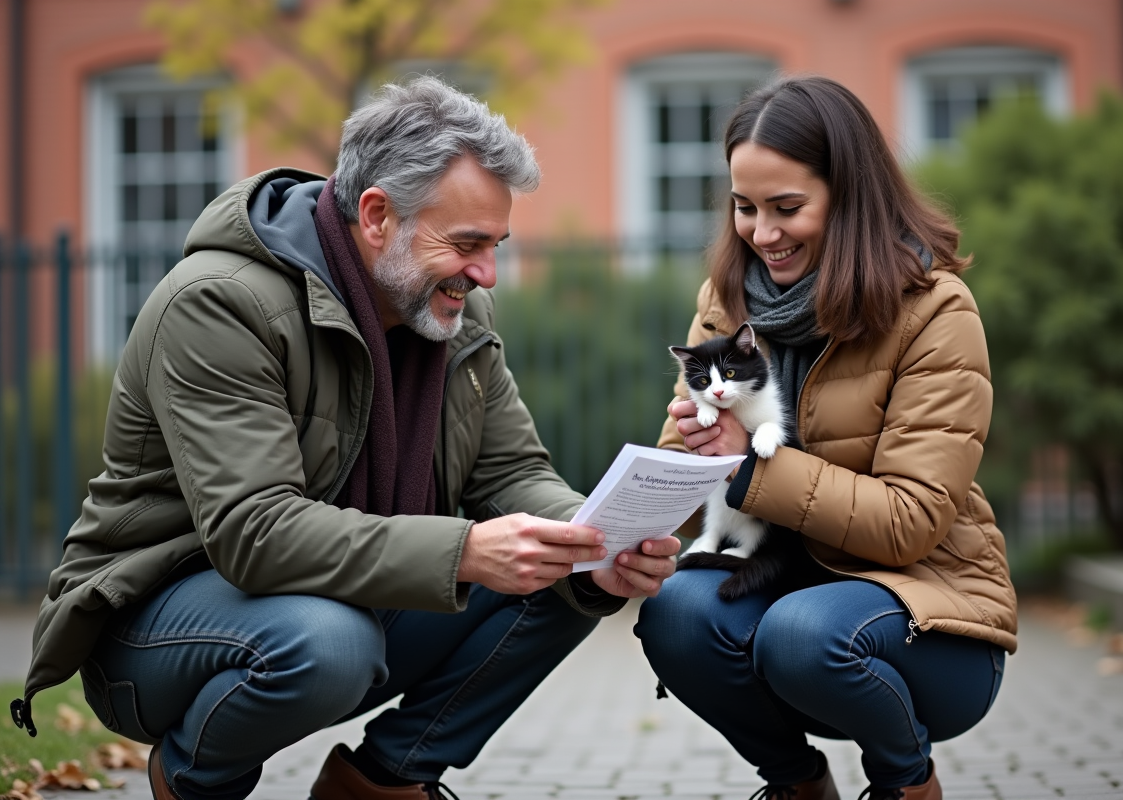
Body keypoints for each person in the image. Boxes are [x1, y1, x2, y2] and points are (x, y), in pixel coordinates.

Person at [12, 77, 679, 800]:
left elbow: (512, 470)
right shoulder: (219, 303)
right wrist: (465, 552)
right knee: (329, 644)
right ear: (376, 215)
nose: (485, 273)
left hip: (335, 600)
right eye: (467, 244)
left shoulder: (450, 311)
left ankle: (381, 782)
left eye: (496, 245)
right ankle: (192, 777)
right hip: (159, 627)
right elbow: (254, 531)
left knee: (559, 579)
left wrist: (593, 538)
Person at [636, 75, 1017, 800]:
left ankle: (907, 783)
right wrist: (656, 488)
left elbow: (909, 522)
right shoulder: (728, 303)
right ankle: (796, 784)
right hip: (777, 586)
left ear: (850, 196)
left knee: (800, 632)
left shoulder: (934, 312)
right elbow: (687, 496)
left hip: (925, 616)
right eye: (745, 208)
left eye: (787, 208)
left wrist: (747, 472)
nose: (762, 233)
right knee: (675, 615)